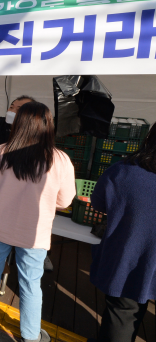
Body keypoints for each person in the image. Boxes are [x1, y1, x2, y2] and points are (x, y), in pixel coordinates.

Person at [0, 102, 75, 342]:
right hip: (34, 234)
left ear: (17, 124)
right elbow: (65, 200)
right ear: (48, 126)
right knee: (30, 284)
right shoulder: (59, 159)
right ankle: (30, 335)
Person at [88, 123, 156, 342]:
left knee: (122, 314)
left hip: (129, 262)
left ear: (148, 140)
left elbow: (98, 203)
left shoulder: (123, 170)